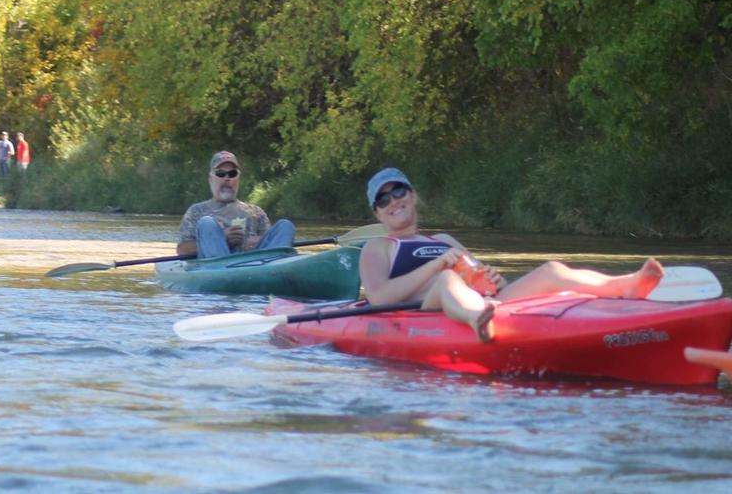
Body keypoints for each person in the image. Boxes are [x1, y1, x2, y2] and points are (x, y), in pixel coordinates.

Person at [359, 167, 665, 343]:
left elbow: (490, 284)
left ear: (412, 195)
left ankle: (623, 286)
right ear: (377, 213)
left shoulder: (443, 239)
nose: (393, 202)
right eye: (383, 200)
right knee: (447, 278)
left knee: (551, 270)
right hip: (425, 313)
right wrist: (437, 267)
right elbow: (380, 298)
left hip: (482, 300)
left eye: (398, 192)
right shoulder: (379, 247)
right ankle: (476, 320)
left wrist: (492, 279)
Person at [177, 151, 296, 258]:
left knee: (285, 226)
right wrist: (222, 239)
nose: (227, 178)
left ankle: (275, 268)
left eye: (232, 174)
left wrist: (258, 241)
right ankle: (222, 270)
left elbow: (271, 241)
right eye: (220, 173)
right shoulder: (196, 211)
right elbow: (182, 250)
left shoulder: (256, 212)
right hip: (214, 267)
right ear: (210, 179)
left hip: (255, 264)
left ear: (238, 179)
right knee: (206, 222)